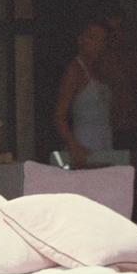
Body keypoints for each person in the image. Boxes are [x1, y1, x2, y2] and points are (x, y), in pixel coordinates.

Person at [98, 7, 137, 172]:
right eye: (111, 30)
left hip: (130, 129)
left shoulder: (136, 60)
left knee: (128, 181)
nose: (116, 35)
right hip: (101, 132)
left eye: (120, 29)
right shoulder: (95, 61)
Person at [53, 17, 114, 168]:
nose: (98, 44)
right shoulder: (74, 71)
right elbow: (59, 115)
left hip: (106, 143)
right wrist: (72, 144)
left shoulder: (101, 69)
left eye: (102, 40)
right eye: (93, 38)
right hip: (84, 144)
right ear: (81, 40)